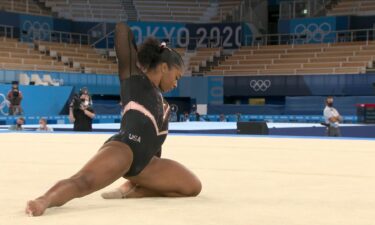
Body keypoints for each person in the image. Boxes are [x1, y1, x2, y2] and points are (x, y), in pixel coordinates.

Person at [25, 23, 201, 216]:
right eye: (176, 77)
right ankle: (44, 200)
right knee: (83, 182)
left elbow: (155, 143)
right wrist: (150, 46)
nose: (176, 83)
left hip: (147, 163)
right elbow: (122, 33)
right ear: (164, 67)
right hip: (124, 150)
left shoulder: (164, 104)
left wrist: (148, 176)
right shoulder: (134, 80)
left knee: (193, 186)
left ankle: (136, 189)